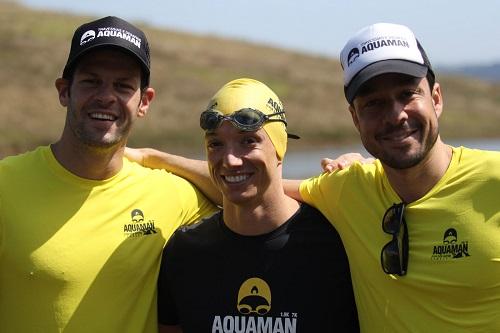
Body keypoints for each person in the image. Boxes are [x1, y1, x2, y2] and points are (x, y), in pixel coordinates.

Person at [0, 16, 217, 333]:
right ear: (64, 91)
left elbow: (256, 199)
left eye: (123, 86)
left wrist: (156, 157)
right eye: (91, 81)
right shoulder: (6, 184)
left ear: (144, 101)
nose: (106, 96)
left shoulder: (170, 194)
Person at [284, 22, 500, 332]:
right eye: (374, 103)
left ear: (436, 99)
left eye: (407, 94)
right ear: (355, 118)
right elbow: (253, 190)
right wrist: (186, 166)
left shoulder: (495, 180)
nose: (396, 114)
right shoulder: (349, 186)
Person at [155, 78, 359, 332]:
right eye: (215, 144)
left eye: (248, 141)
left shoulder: (337, 245)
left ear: (279, 147)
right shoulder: (184, 252)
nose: (230, 160)